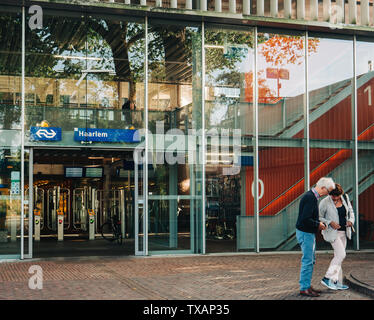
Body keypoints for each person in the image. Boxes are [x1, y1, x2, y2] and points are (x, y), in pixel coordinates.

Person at [296, 177, 335, 297]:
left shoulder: (311, 196)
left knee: (310, 260)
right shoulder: (311, 198)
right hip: (306, 233)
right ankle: (304, 288)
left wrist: (318, 224)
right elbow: (305, 219)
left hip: (306, 232)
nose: (327, 195)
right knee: (308, 261)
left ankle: (306, 285)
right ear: (323, 188)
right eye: (328, 192)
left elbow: (306, 218)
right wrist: (318, 224)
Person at [319, 183, 355, 290]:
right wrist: (330, 222)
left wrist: (350, 221)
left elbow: (351, 212)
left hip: (344, 231)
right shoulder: (324, 202)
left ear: (340, 194)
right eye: (332, 196)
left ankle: (334, 281)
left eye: (337, 196)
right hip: (332, 233)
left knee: (338, 257)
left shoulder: (345, 197)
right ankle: (327, 277)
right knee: (341, 254)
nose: (335, 198)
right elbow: (319, 217)